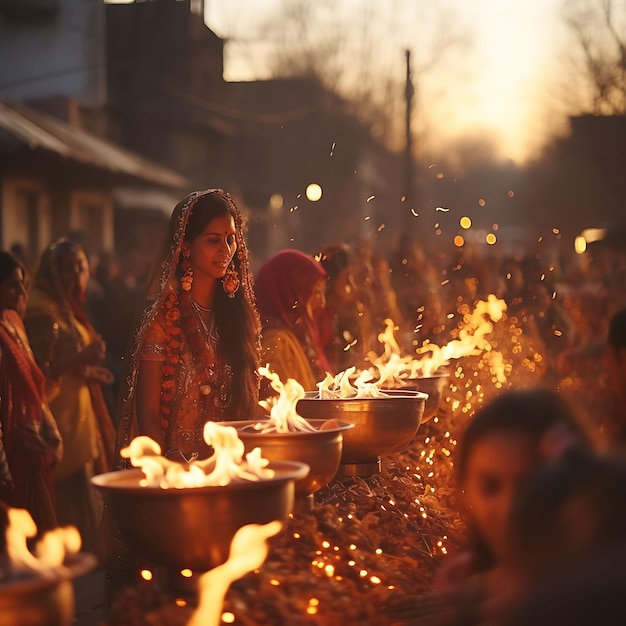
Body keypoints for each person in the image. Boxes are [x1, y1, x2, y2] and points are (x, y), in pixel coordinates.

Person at [116, 189, 261, 464]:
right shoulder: (162, 318)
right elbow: (147, 412)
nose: (225, 250)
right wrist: (170, 469)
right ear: (185, 245)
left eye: (230, 240)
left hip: (229, 466)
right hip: (176, 469)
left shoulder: (238, 316)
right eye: (213, 241)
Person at [432, 388, 595, 625]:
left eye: (531, 486)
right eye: (490, 487)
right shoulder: (469, 589)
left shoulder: (607, 591)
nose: (509, 510)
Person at [24, 239, 116, 548]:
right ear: (53, 273)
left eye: (82, 266)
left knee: (83, 483)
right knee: (66, 488)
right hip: (56, 415)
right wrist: (82, 359)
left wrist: (89, 371)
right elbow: (37, 372)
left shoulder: (66, 307)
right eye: (69, 267)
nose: (77, 274)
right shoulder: (40, 312)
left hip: (77, 411)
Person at [0, 251, 62, 532]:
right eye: (14, 284)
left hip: (32, 447)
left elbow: (34, 389)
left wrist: (51, 430)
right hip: (11, 453)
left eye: (23, 283)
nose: (22, 291)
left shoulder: (13, 322)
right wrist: (3, 472)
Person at [255, 248, 331, 392]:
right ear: (290, 292)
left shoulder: (298, 334)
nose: (321, 303)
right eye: (315, 293)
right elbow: (280, 407)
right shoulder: (276, 342)